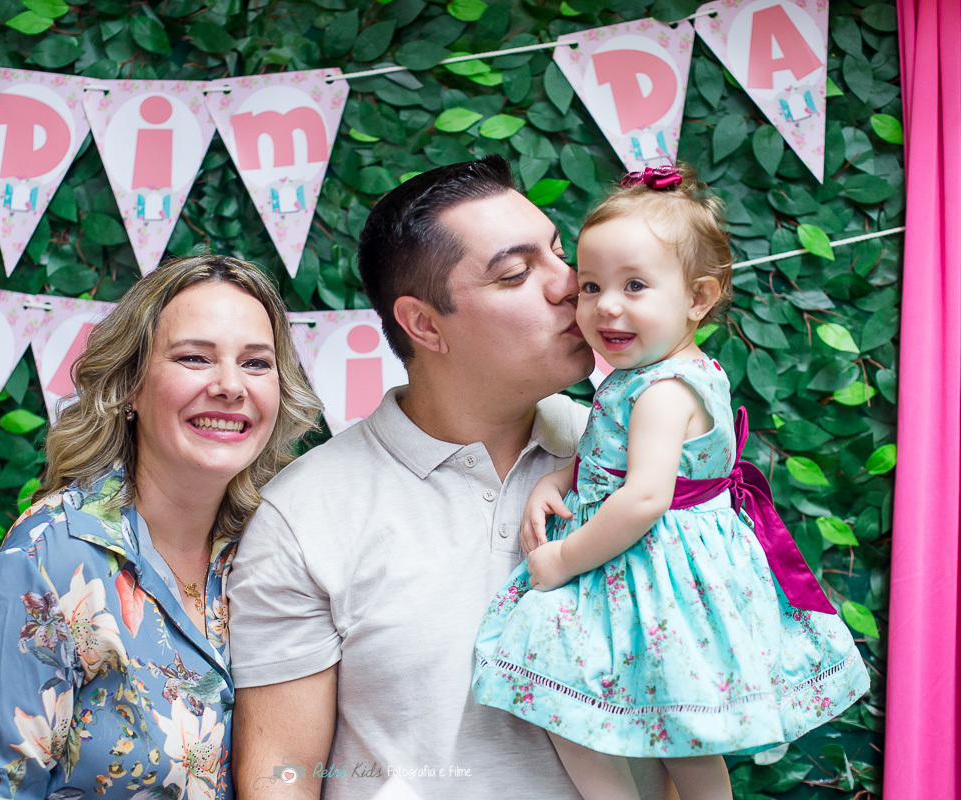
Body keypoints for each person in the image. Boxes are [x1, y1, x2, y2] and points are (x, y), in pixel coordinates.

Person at [227, 156, 676, 800]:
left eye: (559, 251)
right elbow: (281, 776)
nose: (569, 284)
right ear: (424, 324)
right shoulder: (307, 514)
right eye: (517, 273)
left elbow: (687, 712)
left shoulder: (634, 458)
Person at [471, 165, 871, 800]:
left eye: (635, 285)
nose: (606, 306)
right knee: (680, 734)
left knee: (549, 668)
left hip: (650, 567)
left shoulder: (661, 391)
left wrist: (560, 563)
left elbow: (646, 495)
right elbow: (625, 457)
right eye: (592, 285)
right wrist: (565, 475)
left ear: (698, 298)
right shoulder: (666, 371)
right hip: (663, 562)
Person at [0, 255, 321, 800]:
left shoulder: (276, 546)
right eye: (194, 358)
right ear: (130, 386)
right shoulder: (50, 559)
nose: (231, 386)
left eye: (256, 363)